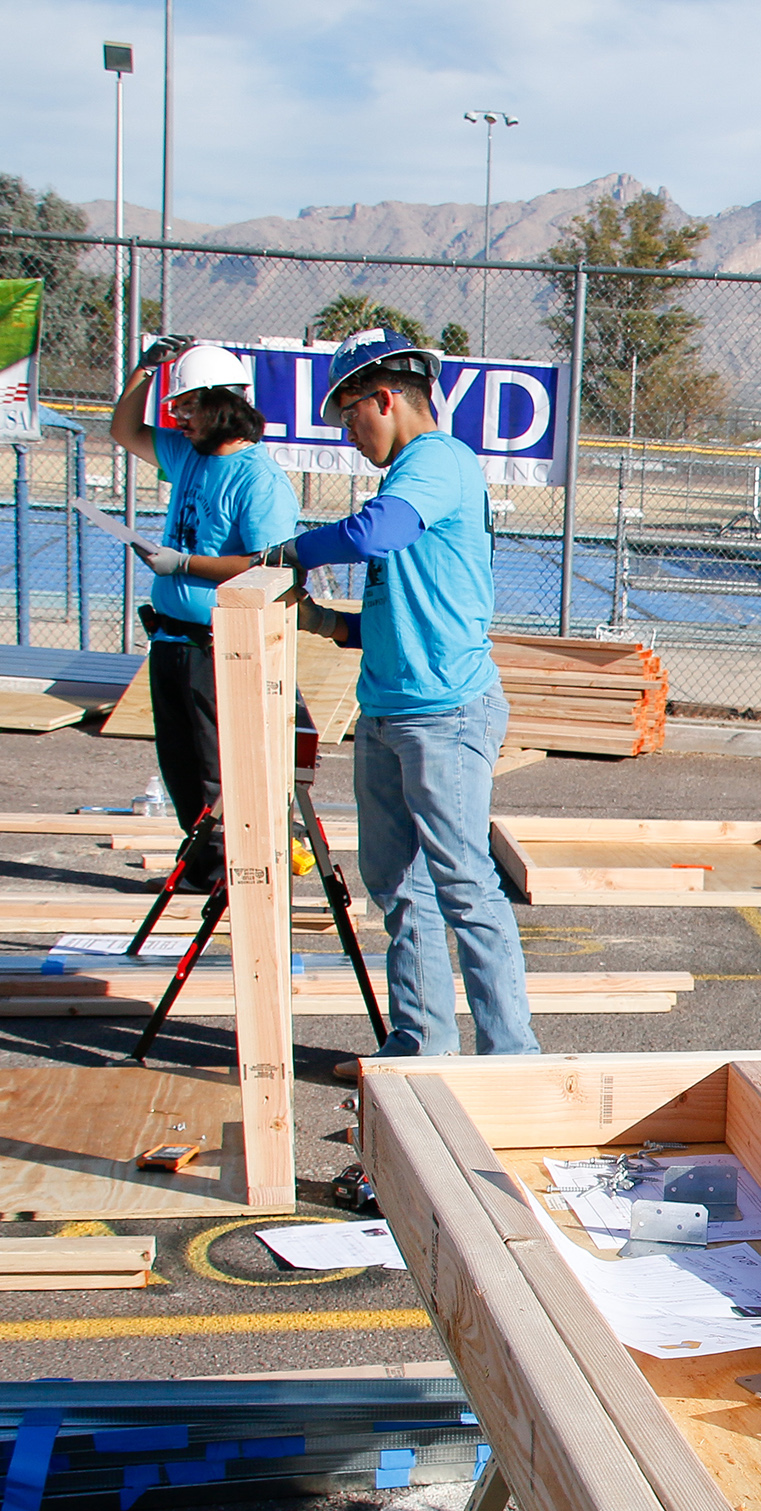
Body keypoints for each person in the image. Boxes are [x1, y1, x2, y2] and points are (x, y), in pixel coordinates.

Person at [220, 327, 536, 1075]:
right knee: (399, 887)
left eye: (349, 415)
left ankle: (513, 1065)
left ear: (385, 399)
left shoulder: (436, 462)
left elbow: (377, 534)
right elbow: (412, 606)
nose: (350, 434)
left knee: (463, 885)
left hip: (443, 712)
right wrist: (330, 623)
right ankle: (420, 1044)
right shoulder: (417, 474)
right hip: (393, 707)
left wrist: (286, 553)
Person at [105, 338, 298, 889]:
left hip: (219, 643)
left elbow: (270, 567)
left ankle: (231, 878)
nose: (179, 420)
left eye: (187, 408)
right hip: (172, 639)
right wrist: (145, 369)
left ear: (217, 406)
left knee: (219, 767)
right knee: (180, 764)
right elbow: (124, 432)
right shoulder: (189, 456)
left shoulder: (257, 479)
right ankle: (200, 868)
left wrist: (186, 563)